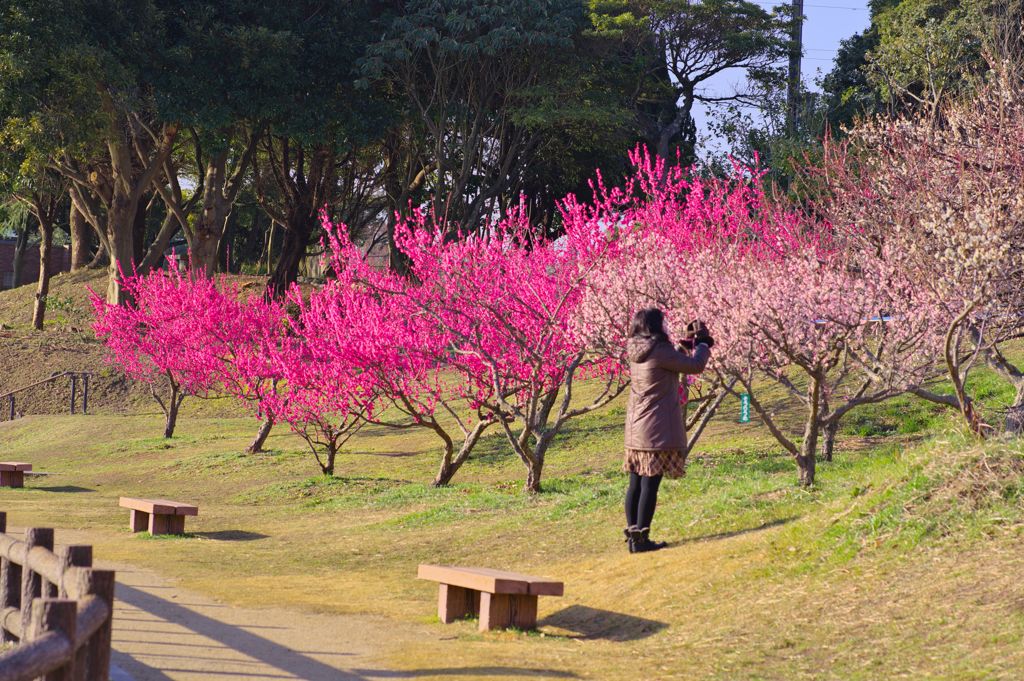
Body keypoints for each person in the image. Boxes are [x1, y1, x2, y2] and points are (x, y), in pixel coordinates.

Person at [623, 309, 713, 553]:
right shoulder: (660, 350)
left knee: (636, 484)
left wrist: (685, 344)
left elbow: (670, 364)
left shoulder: (637, 349)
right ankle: (642, 540)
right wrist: (703, 344)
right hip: (655, 428)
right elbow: (695, 366)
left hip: (637, 428)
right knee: (650, 485)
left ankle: (633, 538)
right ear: (655, 326)